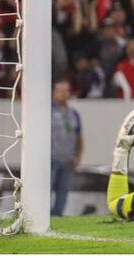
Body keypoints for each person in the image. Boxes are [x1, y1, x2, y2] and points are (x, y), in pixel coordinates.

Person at [51, 79, 83, 217]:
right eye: (60, 91)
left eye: (66, 91)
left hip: (68, 160)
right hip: (50, 160)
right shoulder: (46, 112)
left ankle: (57, 218)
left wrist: (77, 158)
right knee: (45, 191)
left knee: (63, 193)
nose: (64, 94)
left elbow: (79, 138)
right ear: (53, 92)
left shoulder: (74, 114)